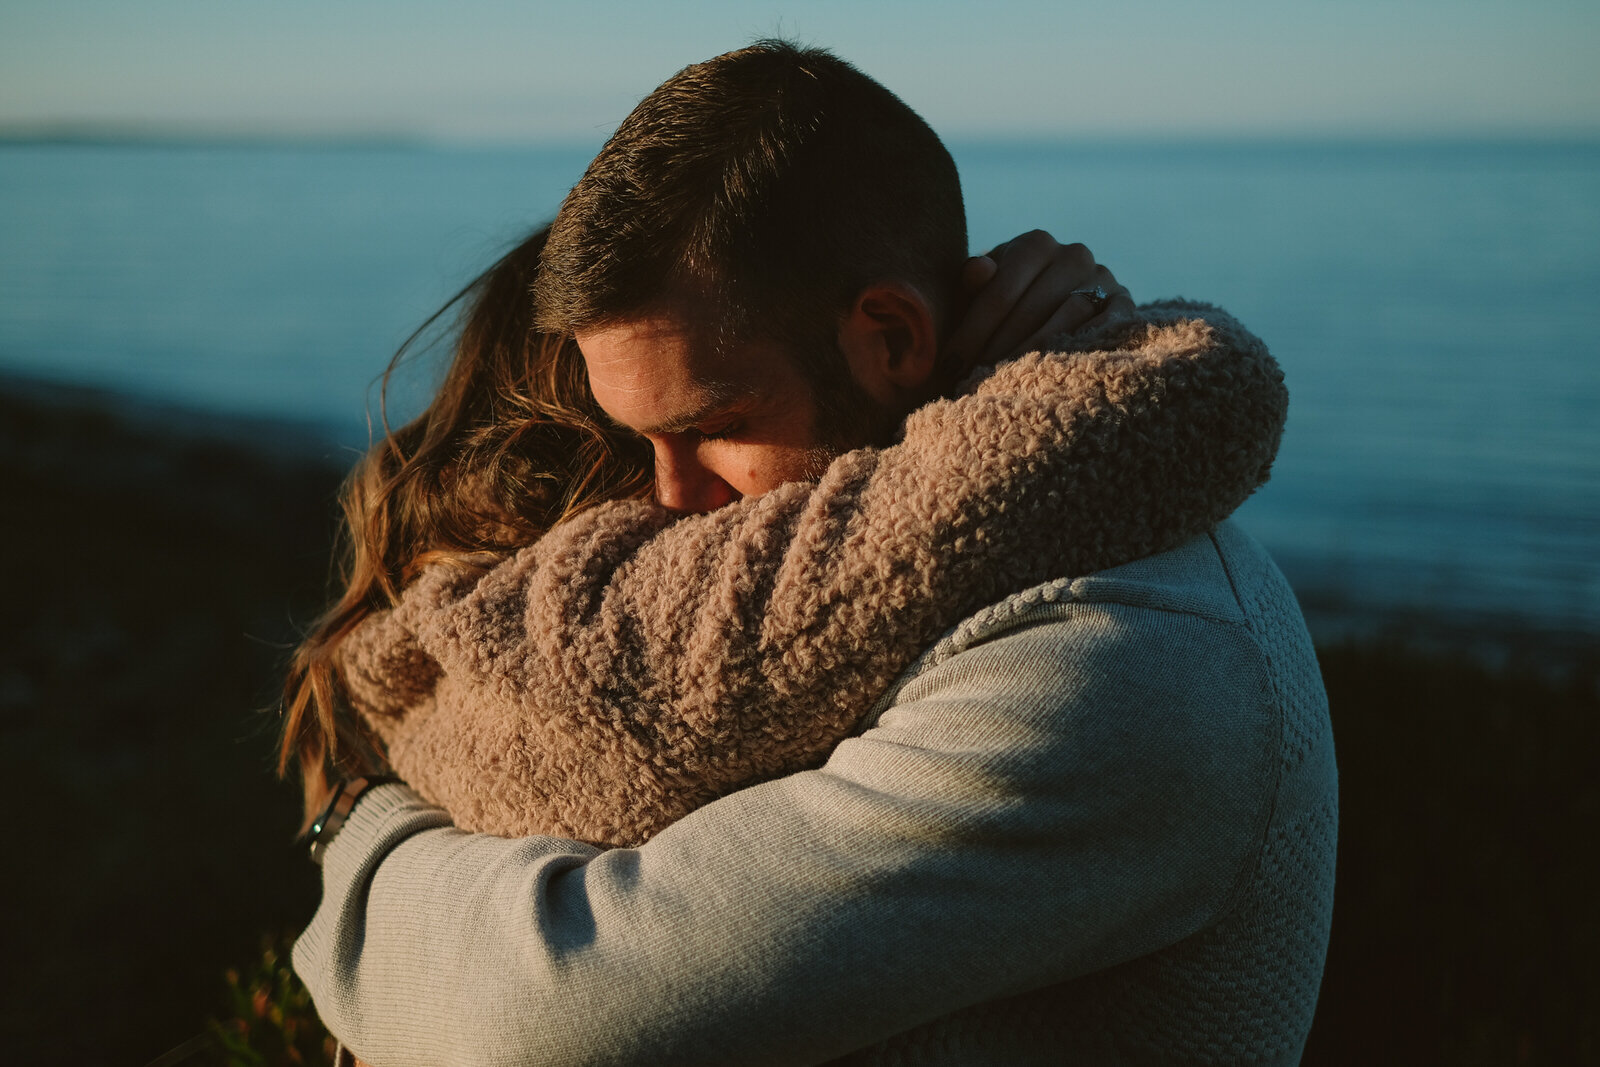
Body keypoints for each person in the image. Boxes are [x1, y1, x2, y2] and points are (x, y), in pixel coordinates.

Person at [292, 41, 1337, 1065]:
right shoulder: (865, 600)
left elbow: (541, 1019)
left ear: (889, 336)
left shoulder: (1121, 657)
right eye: (635, 440)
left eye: (715, 422)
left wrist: (366, 831)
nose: (668, 499)